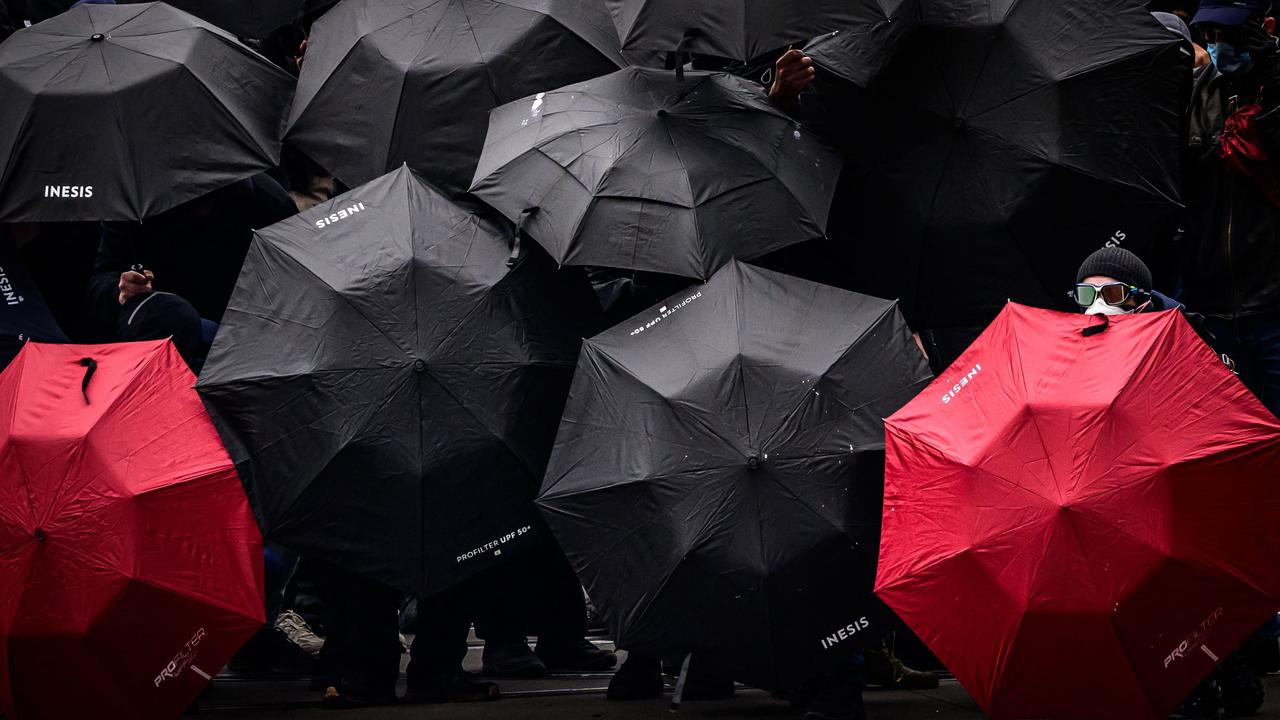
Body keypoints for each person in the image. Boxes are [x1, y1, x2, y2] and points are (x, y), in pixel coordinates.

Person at [1183, 0, 1280, 418]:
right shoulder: (1198, 92)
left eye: (1231, 34)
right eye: (1211, 34)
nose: (1219, 46)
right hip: (1214, 306)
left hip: (1274, 306)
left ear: (1264, 29)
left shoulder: (1272, 84)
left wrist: (1274, 79)